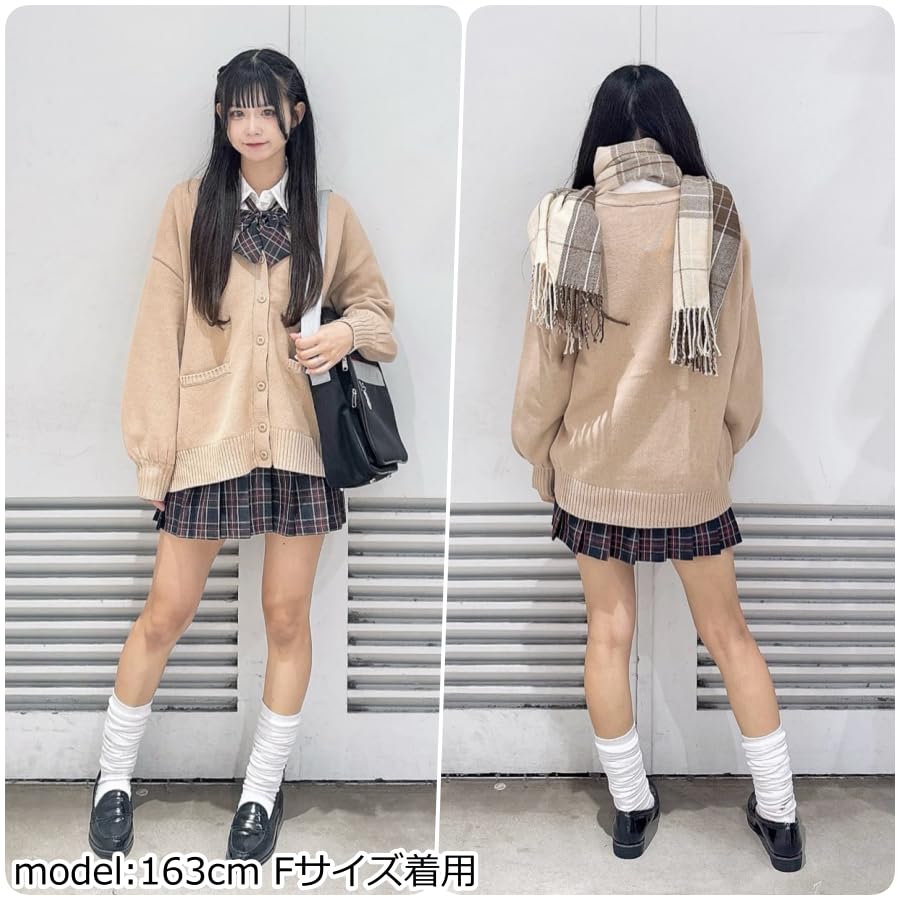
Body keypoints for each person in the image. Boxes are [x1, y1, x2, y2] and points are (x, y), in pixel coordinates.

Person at [89, 48, 397, 864]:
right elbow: (156, 334)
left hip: (300, 448)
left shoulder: (328, 215)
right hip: (206, 443)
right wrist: (154, 458)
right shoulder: (189, 207)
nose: (251, 126)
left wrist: (345, 332)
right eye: (236, 111)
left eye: (266, 109)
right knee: (166, 612)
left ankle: (262, 790)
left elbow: (380, 317)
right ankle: (112, 777)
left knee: (286, 618)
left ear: (296, 114)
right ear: (222, 119)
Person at [510, 64, 803, 872]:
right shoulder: (717, 214)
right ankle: (780, 816)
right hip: (689, 472)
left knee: (607, 634)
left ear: (599, 136)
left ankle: (632, 807)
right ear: (675, 132)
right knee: (729, 634)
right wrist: (717, 446)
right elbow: (741, 363)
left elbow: (544, 372)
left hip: (594, 470)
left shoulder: (565, 221)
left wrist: (540, 453)